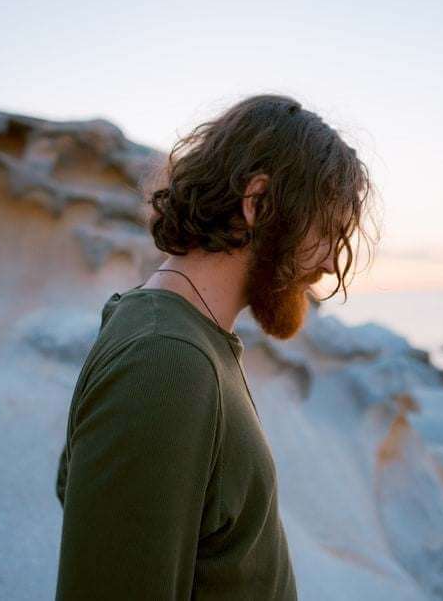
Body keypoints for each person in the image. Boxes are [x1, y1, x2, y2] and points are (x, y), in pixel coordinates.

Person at [54, 94, 378, 600]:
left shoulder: (187, 340)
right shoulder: (163, 361)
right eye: (327, 233)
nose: (331, 265)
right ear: (259, 203)